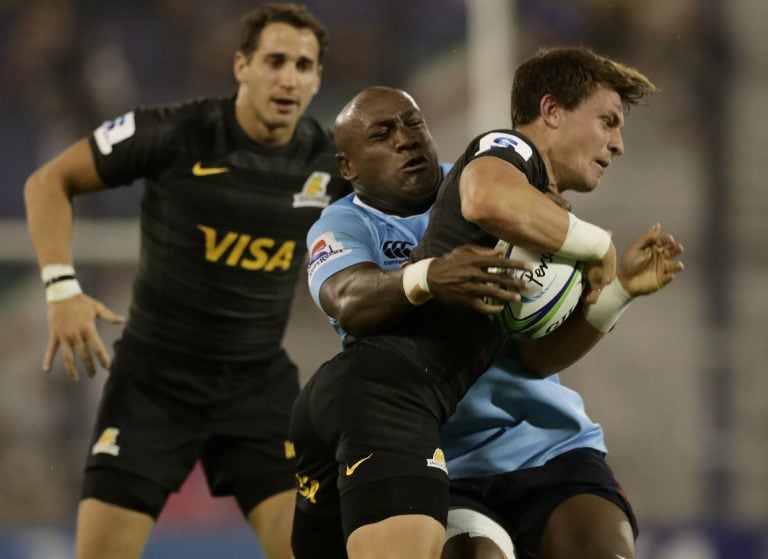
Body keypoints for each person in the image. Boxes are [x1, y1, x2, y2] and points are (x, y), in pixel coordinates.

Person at [291, 47, 672, 559]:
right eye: (384, 134)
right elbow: (346, 297)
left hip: (542, 442)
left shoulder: (526, 202)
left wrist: (619, 289)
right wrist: (428, 275)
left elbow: (537, 358)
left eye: (415, 124)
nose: (407, 140)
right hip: (433, 443)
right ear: (349, 166)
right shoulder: (483, 167)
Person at [23, 4, 351, 559]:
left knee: (308, 548)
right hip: (154, 384)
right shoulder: (178, 132)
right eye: (274, 61)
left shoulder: (329, 163)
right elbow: (48, 182)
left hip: (256, 386)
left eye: (302, 65)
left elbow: (402, 220)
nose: (288, 77)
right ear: (241, 65)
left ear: (317, 79)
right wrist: (61, 287)